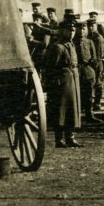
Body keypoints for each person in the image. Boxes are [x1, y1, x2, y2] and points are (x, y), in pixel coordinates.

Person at [39, 18, 81, 148]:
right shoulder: (57, 47)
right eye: (69, 30)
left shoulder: (71, 45)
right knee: (61, 111)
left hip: (73, 80)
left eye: (73, 30)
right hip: (62, 82)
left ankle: (70, 138)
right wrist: (54, 82)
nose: (72, 33)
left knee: (72, 110)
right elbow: (50, 67)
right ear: (62, 31)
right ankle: (59, 139)